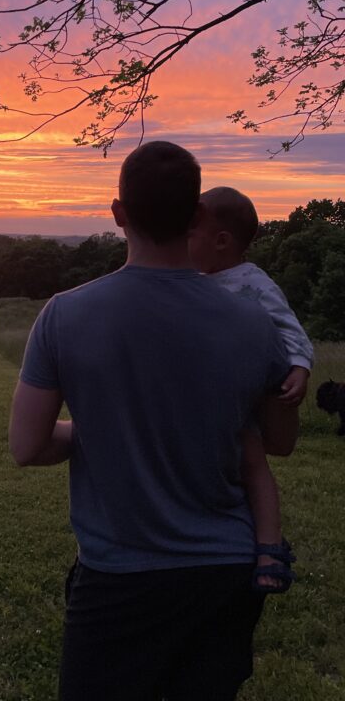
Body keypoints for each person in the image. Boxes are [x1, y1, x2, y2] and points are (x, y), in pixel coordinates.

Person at [9, 141, 298, 701]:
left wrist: (93, 431)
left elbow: (28, 445)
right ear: (195, 216)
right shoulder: (254, 322)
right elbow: (280, 442)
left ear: (118, 214)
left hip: (119, 576)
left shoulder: (64, 314)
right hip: (226, 574)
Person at [189, 185, 314, 595]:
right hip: (212, 399)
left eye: (190, 233)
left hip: (244, 401)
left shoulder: (253, 283)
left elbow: (287, 327)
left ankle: (269, 549)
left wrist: (299, 366)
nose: (182, 241)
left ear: (221, 241)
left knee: (255, 463)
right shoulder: (193, 280)